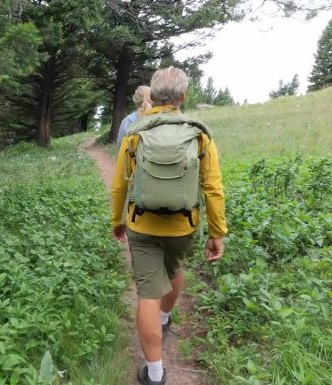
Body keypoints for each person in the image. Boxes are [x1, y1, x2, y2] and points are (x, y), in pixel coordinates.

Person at [111, 67, 227, 385]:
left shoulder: (136, 132)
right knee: (174, 269)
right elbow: (213, 187)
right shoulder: (198, 133)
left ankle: (155, 373)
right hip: (183, 225)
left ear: (152, 96)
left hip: (142, 225)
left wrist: (117, 220)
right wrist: (217, 233)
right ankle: (164, 318)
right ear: (183, 96)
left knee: (147, 292)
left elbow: (120, 184)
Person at [116, 86, 152, 150]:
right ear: (151, 100)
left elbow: (120, 147)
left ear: (135, 100)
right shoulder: (158, 118)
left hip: (131, 159)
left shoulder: (127, 121)